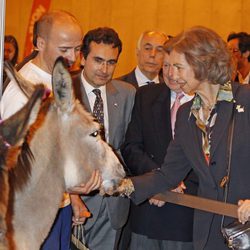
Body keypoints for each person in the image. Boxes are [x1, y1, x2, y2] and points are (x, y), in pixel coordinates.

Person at [118, 26, 250, 250]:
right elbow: (169, 173)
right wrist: (120, 186)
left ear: (203, 64)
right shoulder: (186, 113)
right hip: (207, 233)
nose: (172, 75)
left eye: (179, 67)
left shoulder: (245, 100)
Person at [0, 10, 98, 250]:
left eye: (77, 49)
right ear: (40, 43)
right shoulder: (24, 90)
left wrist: (72, 197)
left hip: (56, 205)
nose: (73, 57)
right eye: (64, 49)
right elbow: (16, 164)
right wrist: (69, 184)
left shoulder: (56, 78)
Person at [121, 47, 197, 249]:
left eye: (178, 67)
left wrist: (174, 179)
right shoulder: (146, 96)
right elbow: (131, 147)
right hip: (149, 208)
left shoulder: (206, 101)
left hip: (188, 210)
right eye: (166, 66)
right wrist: (160, 180)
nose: (171, 74)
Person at [70, 27, 135, 250]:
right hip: (73, 202)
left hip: (113, 205)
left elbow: (131, 147)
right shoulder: (65, 91)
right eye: (98, 60)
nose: (104, 69)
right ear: (82, 57)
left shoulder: (127, 94)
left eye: (111, 62)